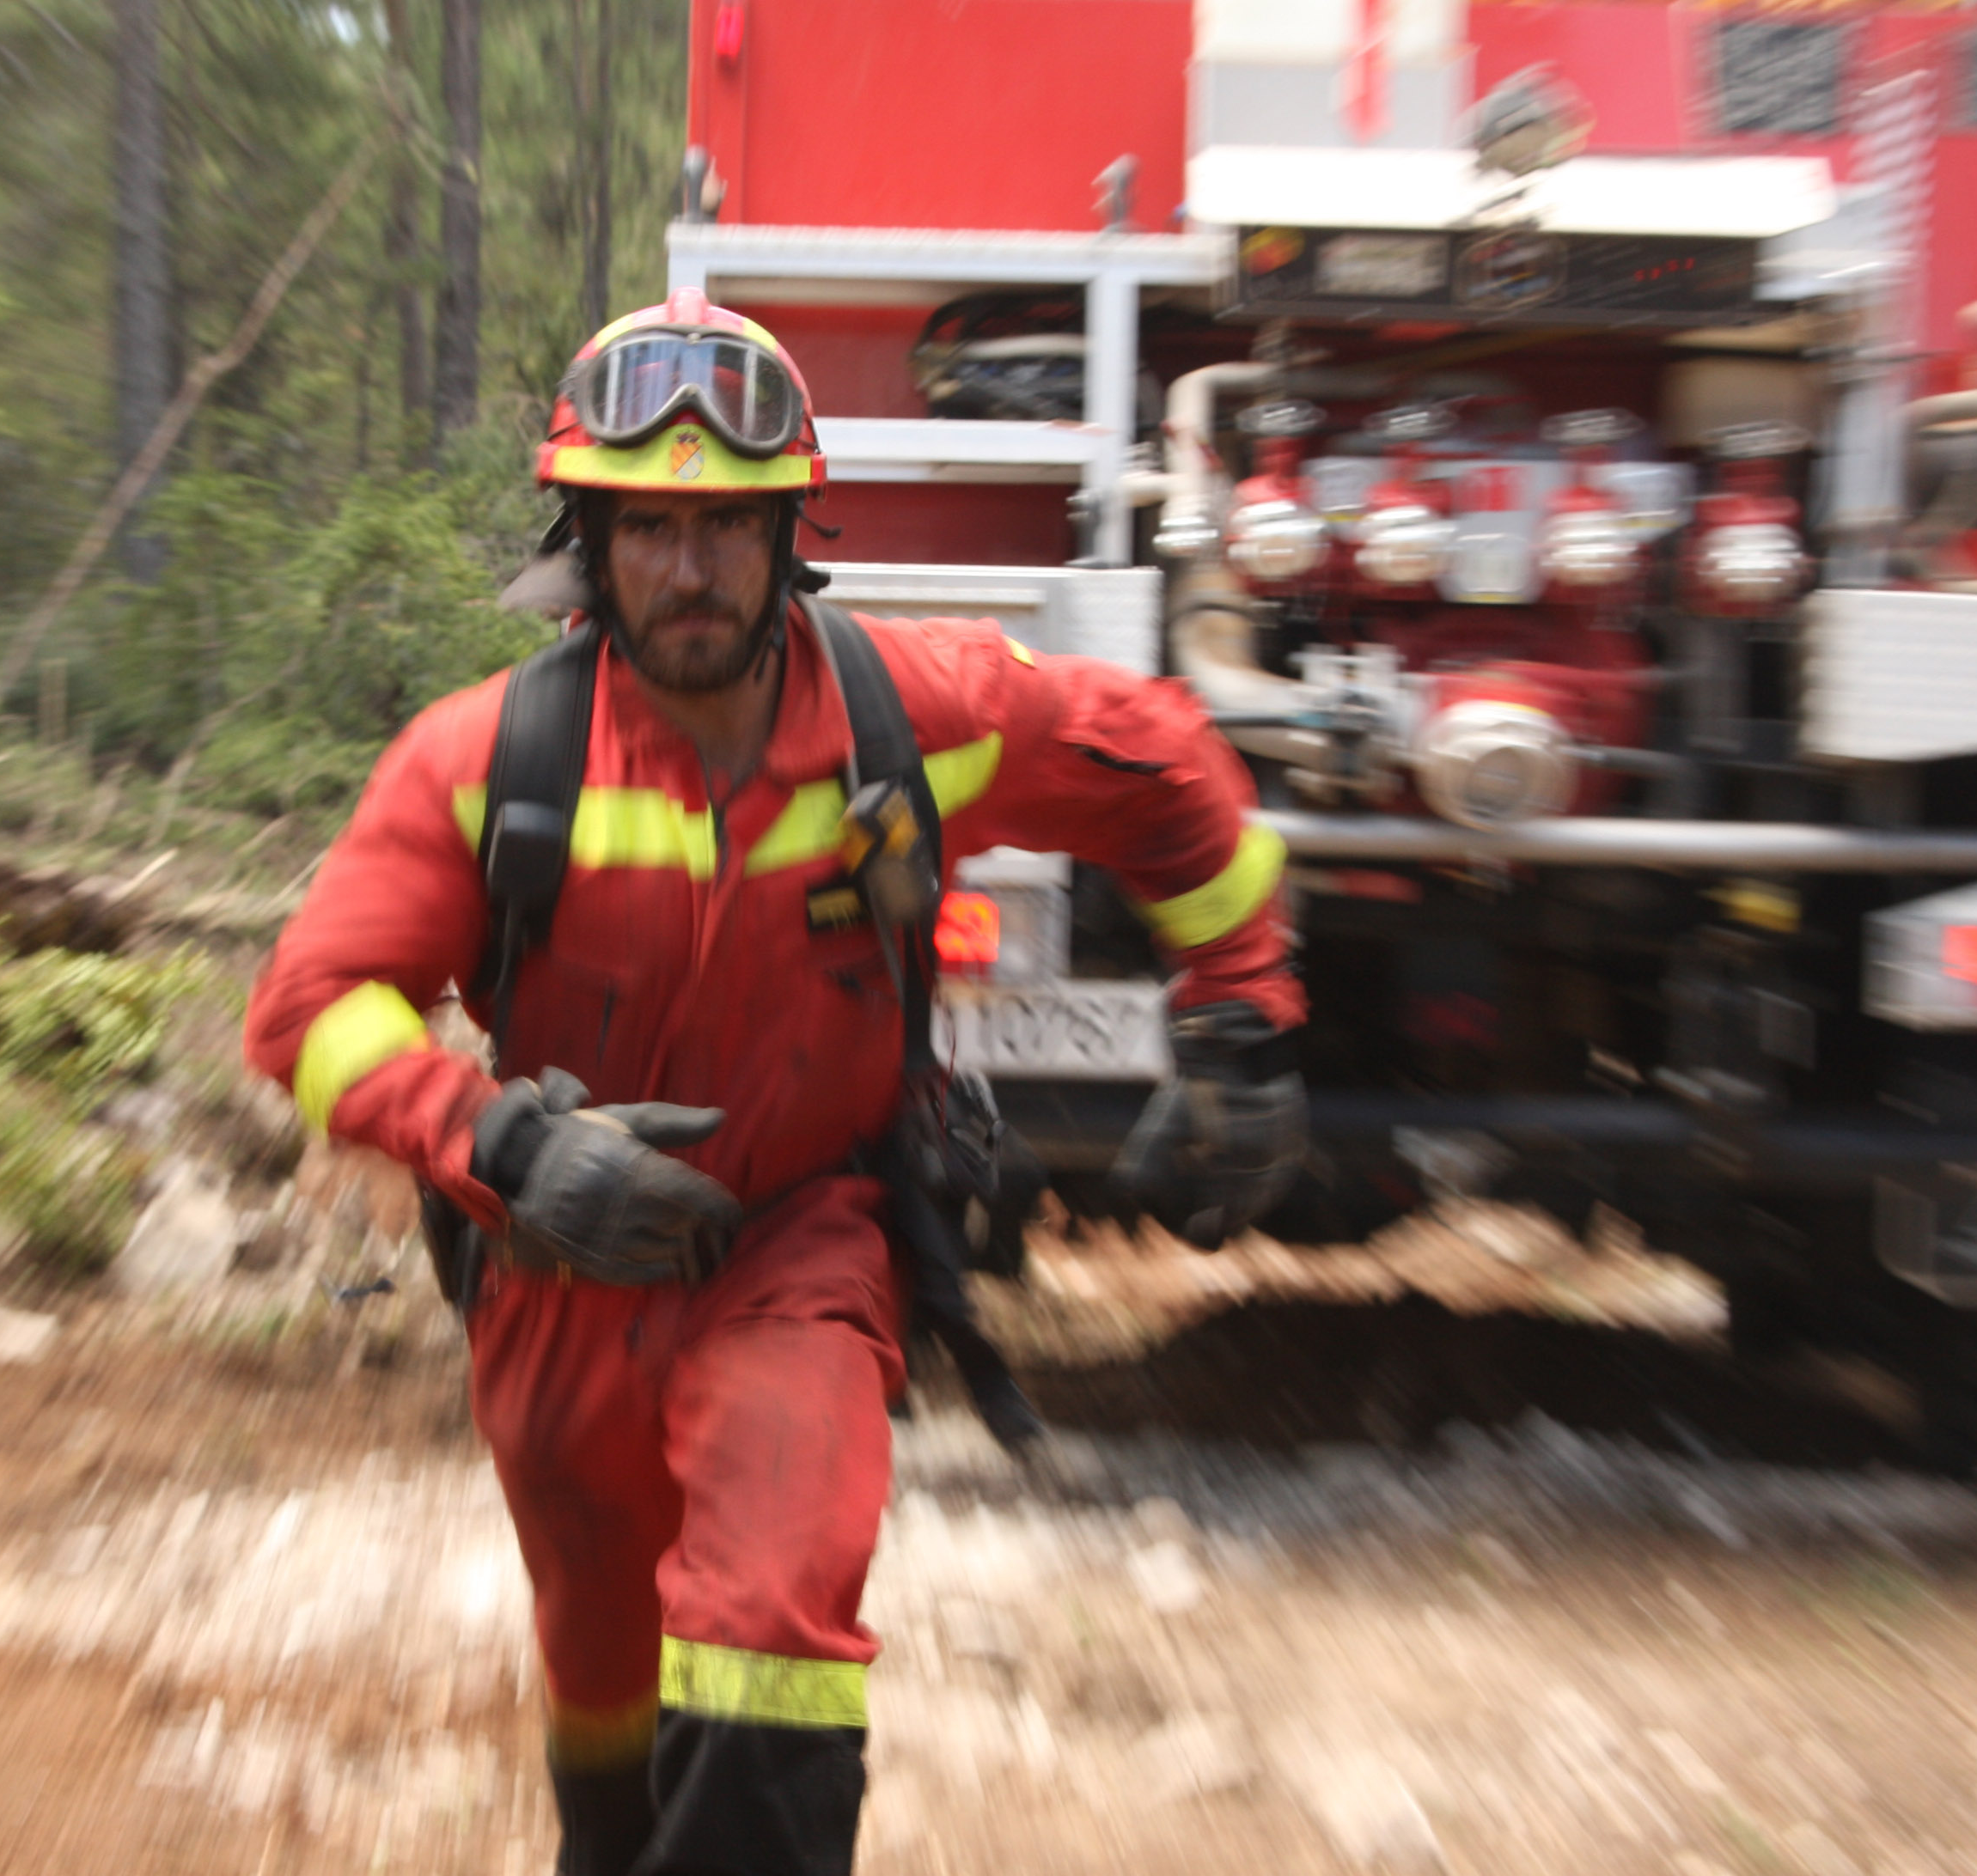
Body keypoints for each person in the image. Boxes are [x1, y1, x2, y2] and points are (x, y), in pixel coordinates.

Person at [243, 293, 1305, 1876]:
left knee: (769, 1630)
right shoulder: (484, 764)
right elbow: (311, 1007)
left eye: (729, 525)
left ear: (789, 531)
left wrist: (1243, 1011)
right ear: (586, 541)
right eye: (649, 528)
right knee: (605, 1689)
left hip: (803, 1244)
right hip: (559, 1281)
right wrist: (501, 1147)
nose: (691, 569)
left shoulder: (912, 717)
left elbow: (1160, 759)